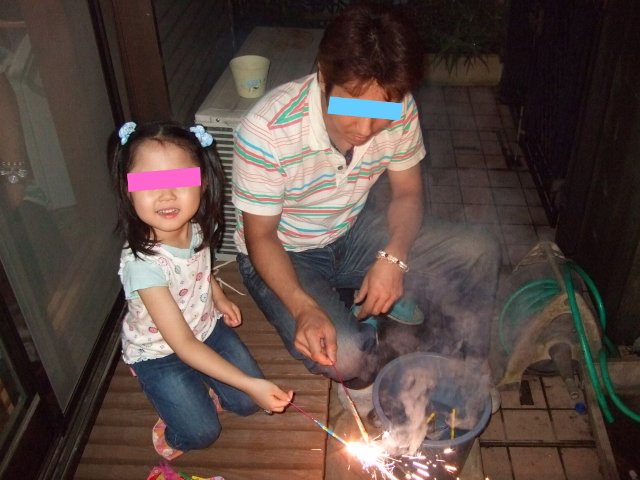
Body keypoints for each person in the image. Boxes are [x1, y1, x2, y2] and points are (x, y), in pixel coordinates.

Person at [232, 3, 501, 391]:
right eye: (351, 107)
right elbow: (260, 236)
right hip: (284, 252)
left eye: (381, 112)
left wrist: (394, 256)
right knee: (347, 357)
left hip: (351, 230)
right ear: (323, 75)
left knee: (479, 250)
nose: (366, 128)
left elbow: (407, 193)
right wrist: (303, 308)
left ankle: (466, 366)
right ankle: (361, 319)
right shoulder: (266, 131)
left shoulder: (399, 107)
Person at [109, 120, 293, 460]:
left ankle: (199, 386)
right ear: (128, 188)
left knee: (247, 403)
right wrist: (250, 383)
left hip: (205, 326)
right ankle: (172, 424)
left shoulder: (195, 226)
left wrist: (218, 296)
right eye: (149, 182)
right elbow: (183, 344)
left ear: (202, 182)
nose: (166, 194)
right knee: (202, 432)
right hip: (159, 351)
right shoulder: (142, 264)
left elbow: (200, 269)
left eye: (180, 179)